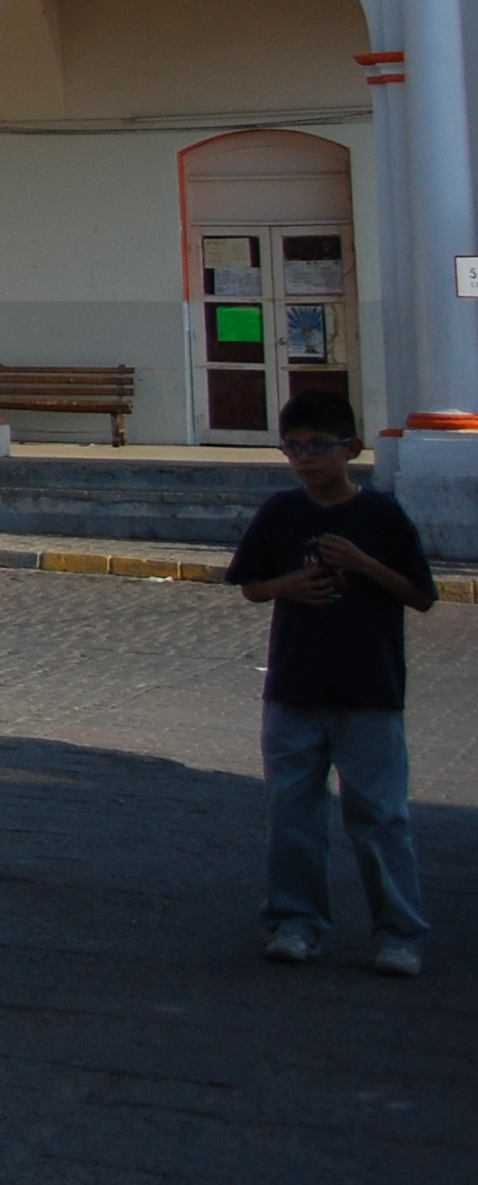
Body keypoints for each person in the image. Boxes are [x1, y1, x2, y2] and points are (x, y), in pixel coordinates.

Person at [225, 384, 433, 975]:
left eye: (318, 446)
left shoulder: (381, 516)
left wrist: (364, 565)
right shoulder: (280, 514)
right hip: (295, 684)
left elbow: (420, 596)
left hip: (369, 687)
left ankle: (399, 932)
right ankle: (295, 921)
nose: (306, 460)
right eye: (293, 448)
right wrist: (285, 587)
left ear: (351, 448)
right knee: (293, 809)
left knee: (380, 814)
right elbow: (249, 584)